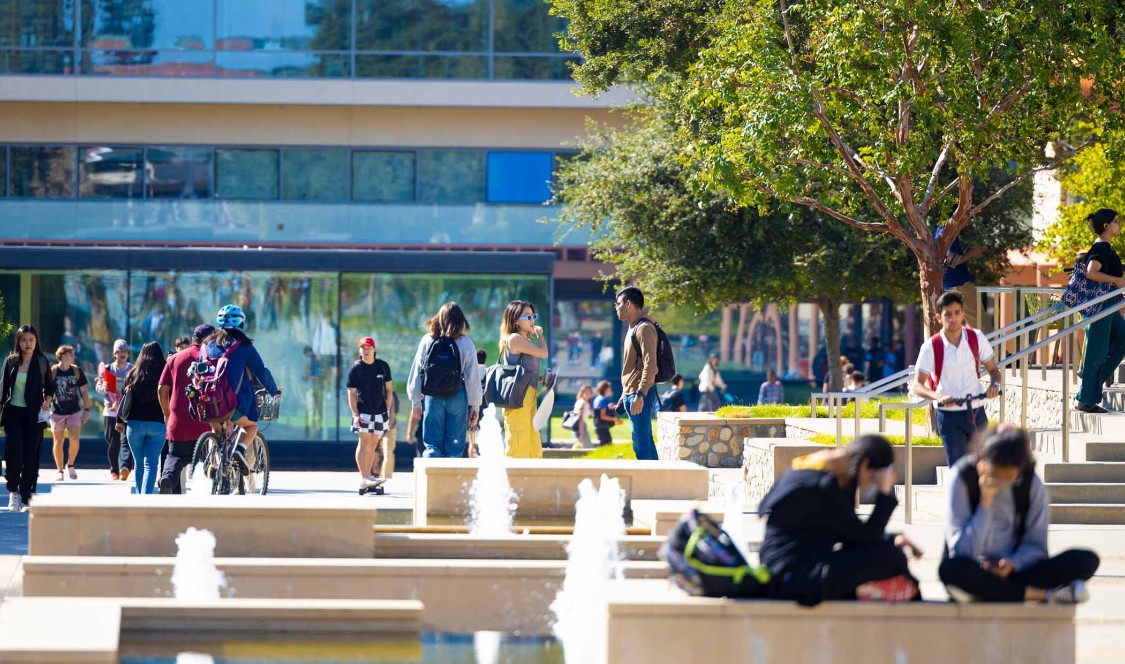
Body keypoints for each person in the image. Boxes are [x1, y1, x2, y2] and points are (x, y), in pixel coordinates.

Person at [939, 425, 1100, 604]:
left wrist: (1013, 563)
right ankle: (1041, 595)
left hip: (1015, 571)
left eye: (1009, 476)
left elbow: (1036, 546)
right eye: (996, 474)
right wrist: (985, 500)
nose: (1002, 482)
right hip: (974, 569)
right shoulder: (961, 478)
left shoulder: (1032, 484)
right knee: (950, 569)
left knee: (1085, 560)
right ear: (983, 457)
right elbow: (961, 551)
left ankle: (997, 592)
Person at [758, 434, 924, 606]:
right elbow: (865, 539)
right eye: (871, 480)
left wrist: (893, 538)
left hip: (787, 573)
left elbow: (852, 535)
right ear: (865, 465)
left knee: (888, 552)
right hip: (794, 579)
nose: (867, 487)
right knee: (890, 557)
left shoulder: (808, 471)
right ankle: (921, 612)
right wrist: (884, 494)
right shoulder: (823, 485)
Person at [911, 290, 1001, 466]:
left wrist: (994, 384)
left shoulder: (976, 338)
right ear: (939, 317)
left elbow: (994, 371)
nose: (953, 319)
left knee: (984, 466)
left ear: (963, 314)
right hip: (949, 416)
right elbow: (917, 385)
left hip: (976, 411)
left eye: (957, 313)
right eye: (948, 314)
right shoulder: (931, 346)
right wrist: (938, 397)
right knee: (958, 470)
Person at [204, 305, 282, 474]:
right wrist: (273, 390)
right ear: (241, 323)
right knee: (251, 427)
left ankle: (214, 463)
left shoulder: (207, 345)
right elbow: (261, 371)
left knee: (218, 429)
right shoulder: (244, 346)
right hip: (232, 405)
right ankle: (239, 450)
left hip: (207, 403)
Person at [406, 302, 482, 458]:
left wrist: (416, 401)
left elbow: (417, 371)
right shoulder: (465, 343)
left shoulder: (428, 340)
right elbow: (472, 378)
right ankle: (452, 482)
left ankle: (431, 481)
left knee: (432, 445)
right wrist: (475, 406)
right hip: (457, 395)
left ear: (439, 318)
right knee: (454, 447)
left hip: (432, 396)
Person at [1075, 208, 1125, 414]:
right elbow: (1091, 272)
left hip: (1109, 302)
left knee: (1122, 337)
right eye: (1116, 220)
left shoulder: (1107, 248)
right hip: (1101, 304)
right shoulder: (1102, 247)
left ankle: (1091, 379)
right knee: (1096, 351)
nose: (1119, 223)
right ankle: (1086, 400)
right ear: (1106, 225)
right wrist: (1116, 280)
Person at [2, 326, 55, 511]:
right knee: (14, 454)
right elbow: (2, 390)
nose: (28, 343)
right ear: (18, 341)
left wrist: (47, 401)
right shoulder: (11, 361)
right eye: (24, 340)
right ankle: (14, 492)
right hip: (14, 414)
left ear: (36, 341)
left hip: (34, 415)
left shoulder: (41, 361)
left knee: (31, 457)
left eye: (31, 339)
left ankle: (26, 497)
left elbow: (50, 387)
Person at [157, 324, 214, 494]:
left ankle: (167, 478)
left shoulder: (175, 358)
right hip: (204, 422)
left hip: (178, 420)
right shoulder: (212, 359)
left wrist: (167, 413)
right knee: (205, 463)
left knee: (174, 457)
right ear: (208, 340)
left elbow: (161, 389)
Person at [115, 341, 168, 495]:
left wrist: (119, 421)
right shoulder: (165, 373)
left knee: (138, 463)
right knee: (151, 464)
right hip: (158, 424)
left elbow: (124, 399)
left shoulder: (132, 373)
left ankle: (139, 497)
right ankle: (147, 497)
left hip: (134, 424)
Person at [615, 286, 660, 460]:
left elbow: (651, 364)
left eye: (618, 304)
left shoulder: (644, 329)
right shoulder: (632, 328)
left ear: (628, 304)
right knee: (644, 440)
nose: (616, 308)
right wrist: (624, 392)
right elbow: (634, 367)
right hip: (631, 392)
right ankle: (655, 482)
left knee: (641, 443)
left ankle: (648, 483)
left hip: (640, 394)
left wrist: (640, 394)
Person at [498, 300, 547, 459]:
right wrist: (540, 335)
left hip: (528, 396)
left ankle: (530, 483)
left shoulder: (525, 340)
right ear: (515, 320)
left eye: (533, 316)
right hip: (518, 398)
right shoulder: (514, 338)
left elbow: (525, 372)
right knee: (519, 447)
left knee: (533, 446)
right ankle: (514, 482)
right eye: (527, 316)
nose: (532, 320)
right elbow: (543, 353)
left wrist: (541, 378)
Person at [347, 336, 395, 492]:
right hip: (363, 412)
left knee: (374, 443)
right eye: (363, 348)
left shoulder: (383, 366)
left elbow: (389, 390)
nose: (365, 350)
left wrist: (387, 408)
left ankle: (368, 476)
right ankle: (364, 477)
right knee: (364, 442)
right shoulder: (356, 369)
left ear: (374, 349)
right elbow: (351, 393)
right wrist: (355, 414)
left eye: (368, 347)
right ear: (360, 351)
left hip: (380, 411)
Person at [49, 345, 91, 481]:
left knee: (74, 438)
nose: (73, 356)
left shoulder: (77, 371)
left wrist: (87, 409)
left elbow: (84, 391)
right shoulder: (53, 371)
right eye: (71, 354)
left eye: (73, 354)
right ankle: (59, 470)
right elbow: (46, 390)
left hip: (74, 410)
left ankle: (71, 464)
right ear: (63, 355)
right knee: (58, 440)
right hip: (56, 411)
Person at [97, 339, 134, 481]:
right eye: (119, 351)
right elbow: (99, 387)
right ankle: (114, 469)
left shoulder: (132, 369)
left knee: (125, 440)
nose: (122, 353)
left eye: (125, 351)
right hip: (110, 411)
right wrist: (103, 388)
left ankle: (124, 467)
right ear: (114, 354)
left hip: (126, 412)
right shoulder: (107, 369)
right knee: (112, 441)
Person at [936, 225, 986, 328]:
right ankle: (988, 344)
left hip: (952, 285)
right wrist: (970, 253)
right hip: (959, 285)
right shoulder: (947, 231)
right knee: (981, 325)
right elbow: (951, 259)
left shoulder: (941, 230)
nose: (967, 221)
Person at [592, 380, 622, 447]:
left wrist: (608, 407)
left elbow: (599, 410)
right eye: (609, 388)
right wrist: (615, 419)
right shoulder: (602, 399)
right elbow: (602, 416)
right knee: (607, 445)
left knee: (607, 444)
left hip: (599, 426)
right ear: (605, 389)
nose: (610, 390)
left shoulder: (598, 398)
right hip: (601, 427)